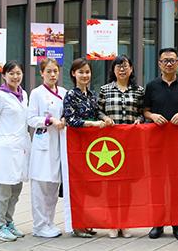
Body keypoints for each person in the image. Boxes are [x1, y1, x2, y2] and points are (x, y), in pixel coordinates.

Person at [143, 47, 178, 241]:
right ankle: (157, 224)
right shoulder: (152, 86)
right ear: (159, 64)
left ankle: (177, 224)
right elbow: (145, 110)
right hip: (157, 143)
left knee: (177, 184)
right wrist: (152, 116)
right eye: (165, 60)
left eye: (172, 60)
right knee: (157, 184)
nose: (169, 64)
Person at [98, 55, 145, 239]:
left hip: (131, 144)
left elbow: (143, 112)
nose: (122, 69)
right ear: (113, 70)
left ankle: (124, 222)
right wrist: (105, 118)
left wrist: (139, 120)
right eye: (118, 66)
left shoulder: (139, 91)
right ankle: (112, 223)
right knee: (111, 185)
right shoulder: (105, 89)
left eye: (125, 66)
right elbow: (98, 110)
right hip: (110, 146)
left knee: (127, 186)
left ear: (131, 69)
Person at [0, 60, 30, 242]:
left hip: (21, 146)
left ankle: (9, 221)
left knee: (16, 188)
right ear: (4, 75)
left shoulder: (23, 94)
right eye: (11, 73)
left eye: (18, 73)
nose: (15, 76)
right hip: (5, 147)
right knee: (4, 189)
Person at [63, 57, 107, 238]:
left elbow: (97, 112)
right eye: (81, 72)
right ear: (73, 74)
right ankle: (78, 224)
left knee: (90, 186)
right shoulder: (70, 95)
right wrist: (92, 124)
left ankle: (87, 221)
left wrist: (104, 118)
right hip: (77, 145)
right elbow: (70, 120)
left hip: (92, 146)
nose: (85, 75)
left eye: (87, 72)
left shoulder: (92, 94)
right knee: (78, 185)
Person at [27, 58, 66, 238]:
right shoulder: (36, 93)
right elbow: (31, 119)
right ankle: (39, 225)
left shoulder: (64, 92)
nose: (52, 75)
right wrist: (49, 120)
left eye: (55, 71)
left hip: (58, 143)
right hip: (43, 143)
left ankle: (49, 222)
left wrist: (64, 120)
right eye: (48, 71)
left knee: (52, 186)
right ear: (41, 73)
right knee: (40, 187)